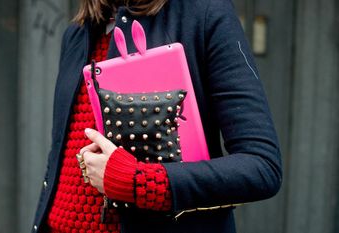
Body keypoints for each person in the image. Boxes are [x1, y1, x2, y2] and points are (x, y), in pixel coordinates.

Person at [32, 0, 282, 232]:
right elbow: (59, 159)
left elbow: (261, 166)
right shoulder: (78, 33)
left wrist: (138, 181)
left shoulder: (204, 13)